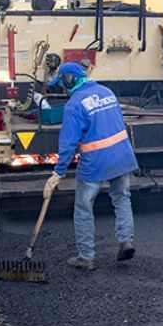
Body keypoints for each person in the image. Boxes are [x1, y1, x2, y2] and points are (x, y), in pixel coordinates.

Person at [43, 63, 139, 270]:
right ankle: (126, 241)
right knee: (122, 198)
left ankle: (86, 257)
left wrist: (57, 173)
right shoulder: (106, 92)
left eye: (62, 83)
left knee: (83, 208)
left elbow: (68, 144)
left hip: (95, 161)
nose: (62, 88)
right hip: (122, 155)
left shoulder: (74, 105)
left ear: (68, 81)